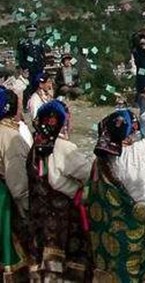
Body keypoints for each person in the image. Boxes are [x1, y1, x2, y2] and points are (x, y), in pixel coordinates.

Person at [86, 85, 145, 281]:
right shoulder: (142, 152)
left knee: (119, 271)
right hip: (141, 223)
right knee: (143, 267)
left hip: (112, 230)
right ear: (131, 133)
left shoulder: (101, 160)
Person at [27, 100, 92, 281]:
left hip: (39, 217)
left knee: (45, 263)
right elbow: (87, 174)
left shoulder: (35, 146)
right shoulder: (64, 147)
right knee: (65, 267)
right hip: (63, 218)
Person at [0, 87, 30, 281]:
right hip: (5, 202)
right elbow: (18, 185)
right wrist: (27, 210)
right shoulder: (10, 137)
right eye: (19, 105)